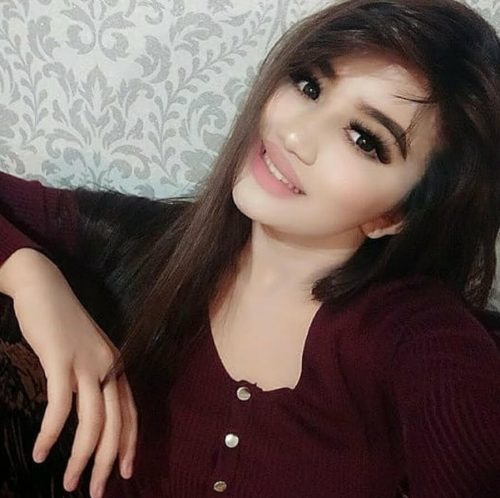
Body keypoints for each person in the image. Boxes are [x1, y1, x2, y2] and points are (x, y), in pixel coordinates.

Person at [0, 0, 500, 496]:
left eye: (363, 138)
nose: (295, 133)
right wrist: (32, 279)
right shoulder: (149, 245)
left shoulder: (421, 339)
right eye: (309, 86)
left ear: (396, 215)